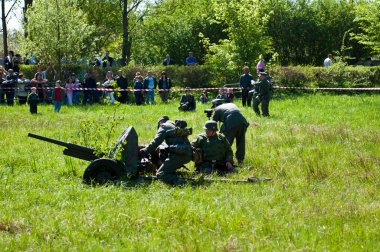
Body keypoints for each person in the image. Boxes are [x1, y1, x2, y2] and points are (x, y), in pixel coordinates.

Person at [139, 116, 192, 185]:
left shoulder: (164, 126)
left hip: (179, 155)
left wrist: (145, 151)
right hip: (187, 153)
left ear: (160, 122)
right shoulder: (174, 125)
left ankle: (183, 183)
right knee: (168, 169)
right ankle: (173, 174)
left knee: (160, 174)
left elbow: (156, 142)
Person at [211, 99, 249, 165]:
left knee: (226, 143)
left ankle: (224, 160)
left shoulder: (217, 109)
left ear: (215, 105)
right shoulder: (231, 104)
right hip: (242, 121)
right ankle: (240, 161)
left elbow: (212, 124)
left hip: (231, 123)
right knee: (241, 142)